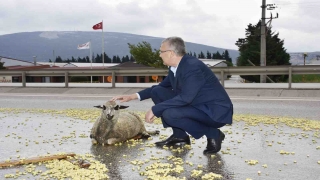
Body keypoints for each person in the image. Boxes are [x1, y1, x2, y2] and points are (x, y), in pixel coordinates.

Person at [111, 36, 233, 154]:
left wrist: (155, 109)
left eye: (161, 52)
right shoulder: (176, 67)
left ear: (170, 53)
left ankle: (214, 134)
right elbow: (161, 87)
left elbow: (186, 97)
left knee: (170, 114)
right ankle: (180, 136)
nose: (159, 55)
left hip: (214, 112)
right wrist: (132, 96)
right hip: (197, 105)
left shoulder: (192, 67)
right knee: (157, 92)